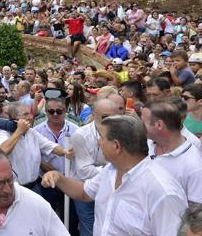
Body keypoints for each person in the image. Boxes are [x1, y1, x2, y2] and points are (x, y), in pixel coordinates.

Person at [42, 115, 188, 236]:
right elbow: (84, 193)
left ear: (117, 146)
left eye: (102, 138)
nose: (99, 142)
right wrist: (58, 178)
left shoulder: (164, 192)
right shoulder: (111, 170)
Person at [68, 98, 123, 236]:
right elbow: (84, 171)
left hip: (110, 188)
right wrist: (115, 169)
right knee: (89, 229)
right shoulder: (81, 134)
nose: (110, 120)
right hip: (84, 188)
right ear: (94, 113)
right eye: (105, 116)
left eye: (114, 116)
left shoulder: (123, 133)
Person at [0, 102, 70, 191]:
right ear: (14, 117)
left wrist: (66, 151)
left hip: (35, 187)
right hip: (14, 189)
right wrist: (19, 131)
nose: (30, 117)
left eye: (30, 113)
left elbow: (51, 146)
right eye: (25, 114)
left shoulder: (32, 132)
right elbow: (1, 152)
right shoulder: (4, 133)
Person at [142, 100, 202, 204]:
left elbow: (195, 211)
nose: (139, 125)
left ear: (159, 125)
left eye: (143, 122)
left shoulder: (194, 166)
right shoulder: (146, 144)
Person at [33, 96, 79, 224]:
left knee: (70, 220)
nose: (55, 114)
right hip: (46, 181)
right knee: (47, 218)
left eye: (59, 111)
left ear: (66, 111)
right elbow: (36, 157)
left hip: (69, 180)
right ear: (45, 112)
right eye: (50, 111)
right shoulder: (37, 131)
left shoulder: (76, 130)